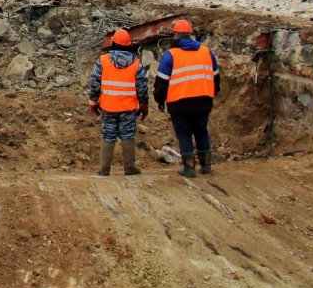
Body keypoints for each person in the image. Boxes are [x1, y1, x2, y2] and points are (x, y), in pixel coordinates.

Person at [154, 19, 220, 178]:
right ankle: (206, 165)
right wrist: (213, 92)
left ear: (176, 35)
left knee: (184, 134)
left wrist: (159, 100)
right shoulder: (206, 52)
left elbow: (161, 82)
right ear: (190, 34)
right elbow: (216, 77)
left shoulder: (171, 55)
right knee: (202, 131)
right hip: (203, 100)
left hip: (179, 103)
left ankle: (189, 168)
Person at [87, 28, 150, 176]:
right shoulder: (136, 63)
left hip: (108, 107)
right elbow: (142, 87)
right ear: (129, 45)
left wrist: (93, 102)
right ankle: (129, 167)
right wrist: (144, 105)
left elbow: (94, 84)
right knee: (127, 135)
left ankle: (104, 168)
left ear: (113, 43)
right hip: (128, 108)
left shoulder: (103, 61)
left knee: (108, 135)